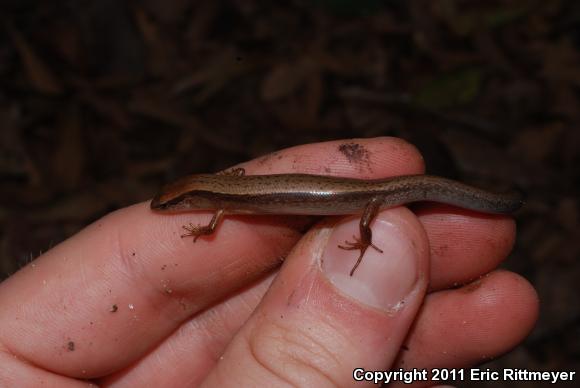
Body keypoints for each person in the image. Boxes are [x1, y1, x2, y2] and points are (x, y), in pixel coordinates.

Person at [0, 138, 538, 386]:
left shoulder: (223, 201)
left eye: (175, 203)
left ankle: (496, 202)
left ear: (195, 198)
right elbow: (217, 214)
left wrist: (364, 238)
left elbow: (213, 222)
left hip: (363, 201)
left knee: (381, 211)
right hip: (351, 193)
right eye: (171, 203)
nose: (170, 210)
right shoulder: (226, 196)